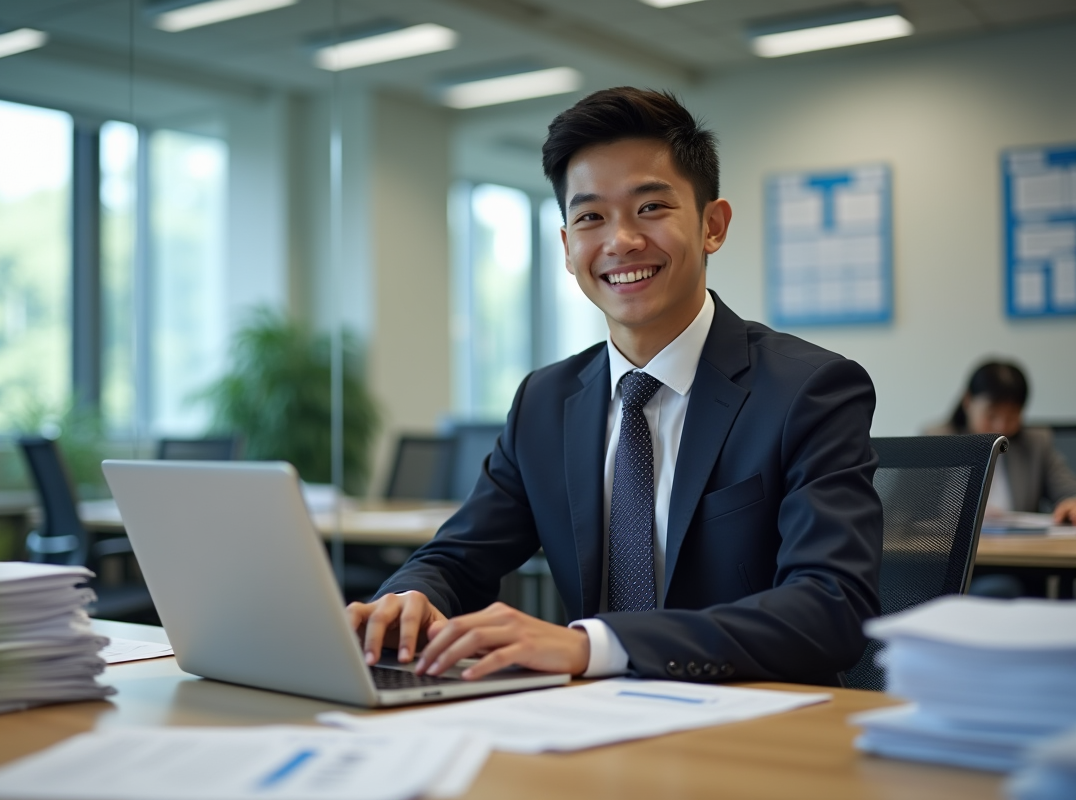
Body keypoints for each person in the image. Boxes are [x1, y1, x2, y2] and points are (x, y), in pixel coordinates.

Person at [346, 88, 882, 686]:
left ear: (712, 226)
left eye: (650, 207)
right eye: (590, 217)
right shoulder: (545, 402)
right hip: (590, 722)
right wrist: (408, 599)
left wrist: (597, 645)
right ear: (567, 247)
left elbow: (833, 606)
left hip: (754, 718)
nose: (620, 240)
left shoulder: (808, 390)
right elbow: (457, 557)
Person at [927, 360, 1076, 524]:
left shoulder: (1036, 443)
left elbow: (1069, 492)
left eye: (1012, 416)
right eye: (991, 415)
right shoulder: (937, 442)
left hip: (1021, 540)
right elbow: (914, 511)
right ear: (968, 401)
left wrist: (1071, 504)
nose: (1001, 426)